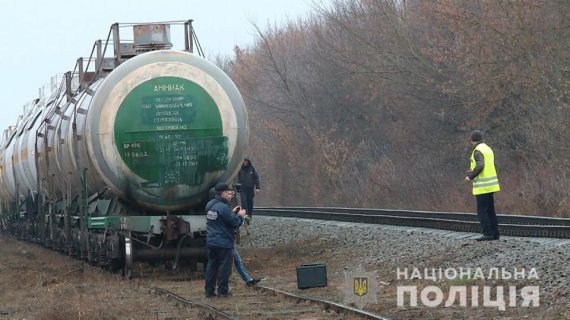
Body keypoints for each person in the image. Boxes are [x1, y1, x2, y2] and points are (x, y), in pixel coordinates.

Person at [204, 183, 246, 297]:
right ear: (222, 193)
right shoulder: (223, 207)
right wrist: (240, 216)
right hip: (224, 242)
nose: (230, 195)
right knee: (224, 267)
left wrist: (232, 213)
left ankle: (209, 291)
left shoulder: (210, 205)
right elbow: (234, 223)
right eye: (228, 192)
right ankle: (223, 291)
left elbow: (220, 220)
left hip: (211, 241)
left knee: (212, 266)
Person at [464, 130, 501, 241]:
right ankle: (495, 233)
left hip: (483, 186)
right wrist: (472, 170)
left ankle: (487, 233)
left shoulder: (477, 151)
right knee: (490, 210)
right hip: (491, 185)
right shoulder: (487, 148)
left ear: (472, 140)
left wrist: (470, 176)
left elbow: (480, 165)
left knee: (482, 211)